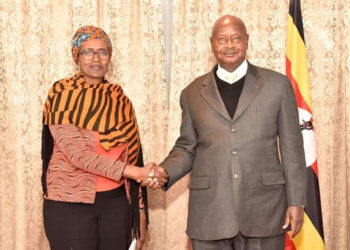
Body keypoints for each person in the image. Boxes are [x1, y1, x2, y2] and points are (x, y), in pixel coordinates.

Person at [146, 15, 307, 250]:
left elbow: (292, 148)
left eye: (236, 38)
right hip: (210, 214)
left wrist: (296, 201)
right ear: (212, 43)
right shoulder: (191, 93)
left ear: (247, 41)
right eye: (222, 39)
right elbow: (187, 147)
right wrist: (163, 171)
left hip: (265, 211)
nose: (229, 45)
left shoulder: (277, 85)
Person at [41, 25, 165, 250]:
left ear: (110, 57)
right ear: (76, 56)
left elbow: (133, 156)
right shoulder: (61, 94)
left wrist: (139, 215)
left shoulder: (121, 101)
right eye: (88, 52)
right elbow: (78, 156)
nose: (96, 58)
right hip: (69, 205)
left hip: (117, 204)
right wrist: (137, 172)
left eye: (103, 52)